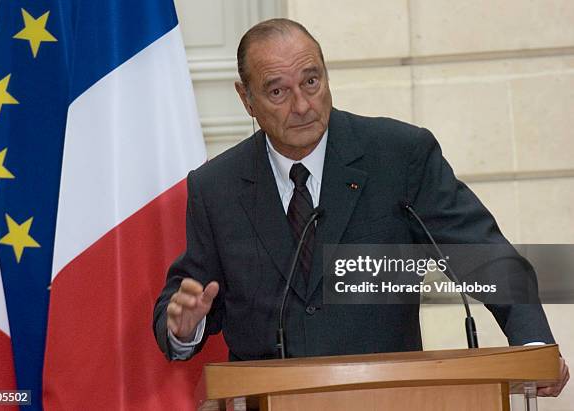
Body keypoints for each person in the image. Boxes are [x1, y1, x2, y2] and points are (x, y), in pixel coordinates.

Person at [153, 18, 569, 396]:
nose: (301, 105)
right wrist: (184, 326)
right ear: (246, 99)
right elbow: (189, 293)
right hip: (267, 400)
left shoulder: (398, 155)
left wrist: (530, 344)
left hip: (389, 398)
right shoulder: (217, 187)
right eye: (278, 90)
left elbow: (481, 253)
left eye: (311, 82)